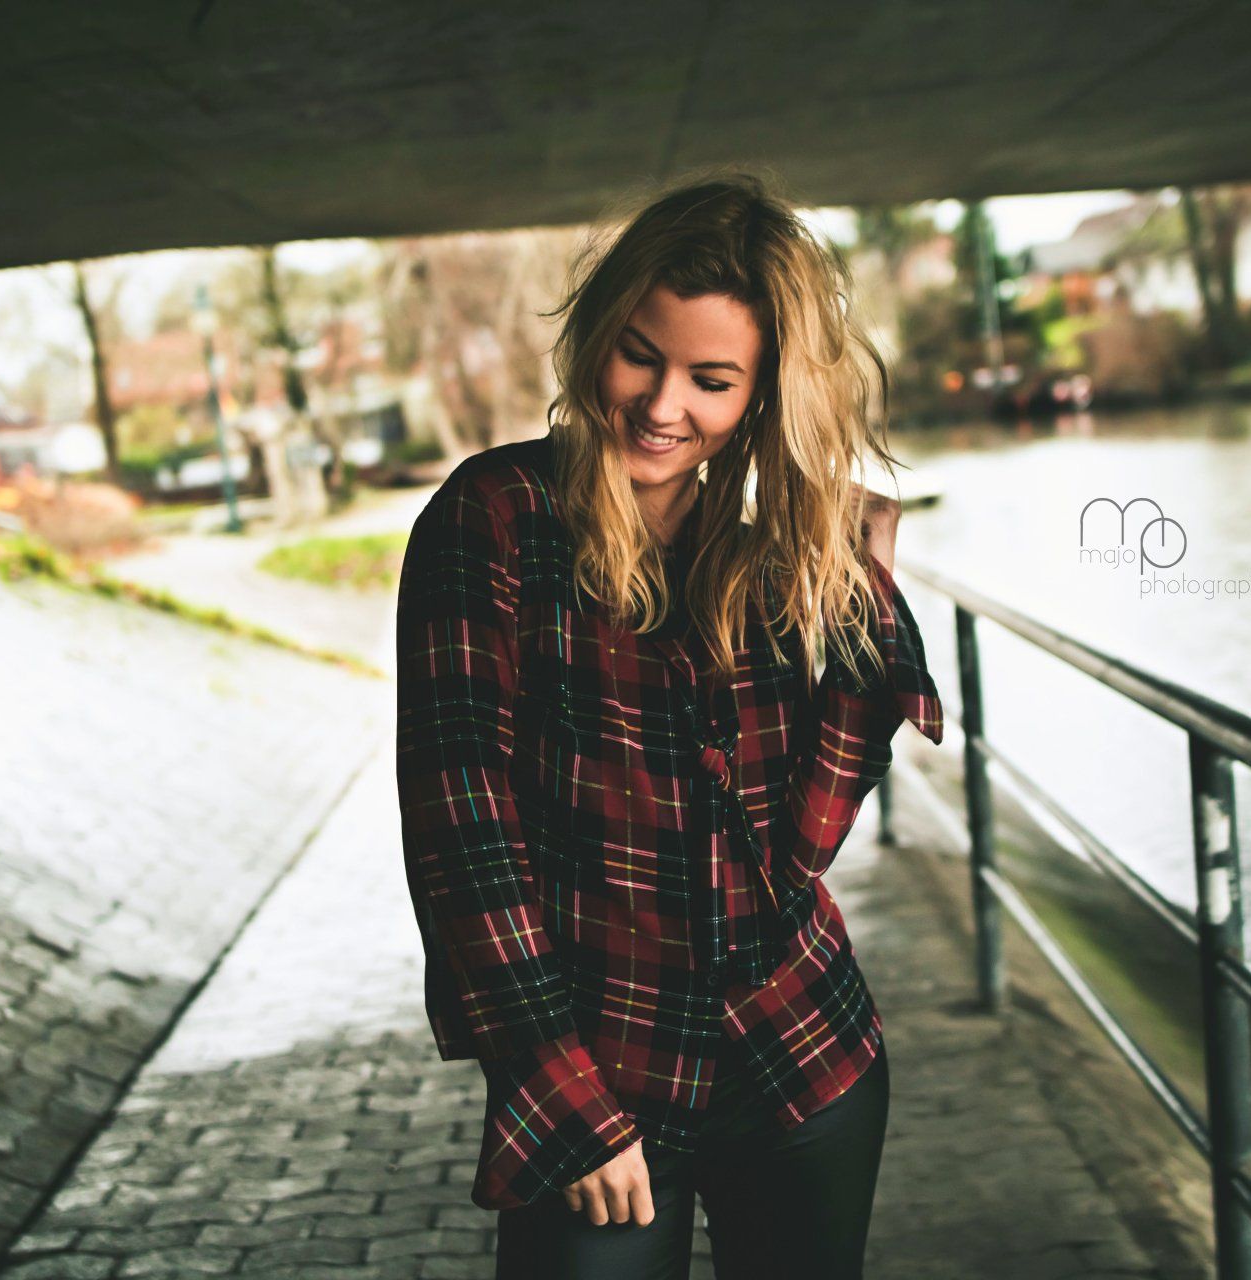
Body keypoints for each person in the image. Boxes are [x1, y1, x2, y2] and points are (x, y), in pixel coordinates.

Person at [395, 170, 946, 1279]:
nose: (661, 405)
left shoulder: (763, 552)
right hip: (605, 1074)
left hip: (803, 1053)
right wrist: (558, 1090)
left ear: (761, 394)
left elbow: (797, 849)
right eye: (640, 355)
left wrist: (857, 602)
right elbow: (464, 829)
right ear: (599, 333)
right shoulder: (491, 517)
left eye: (711, 379)